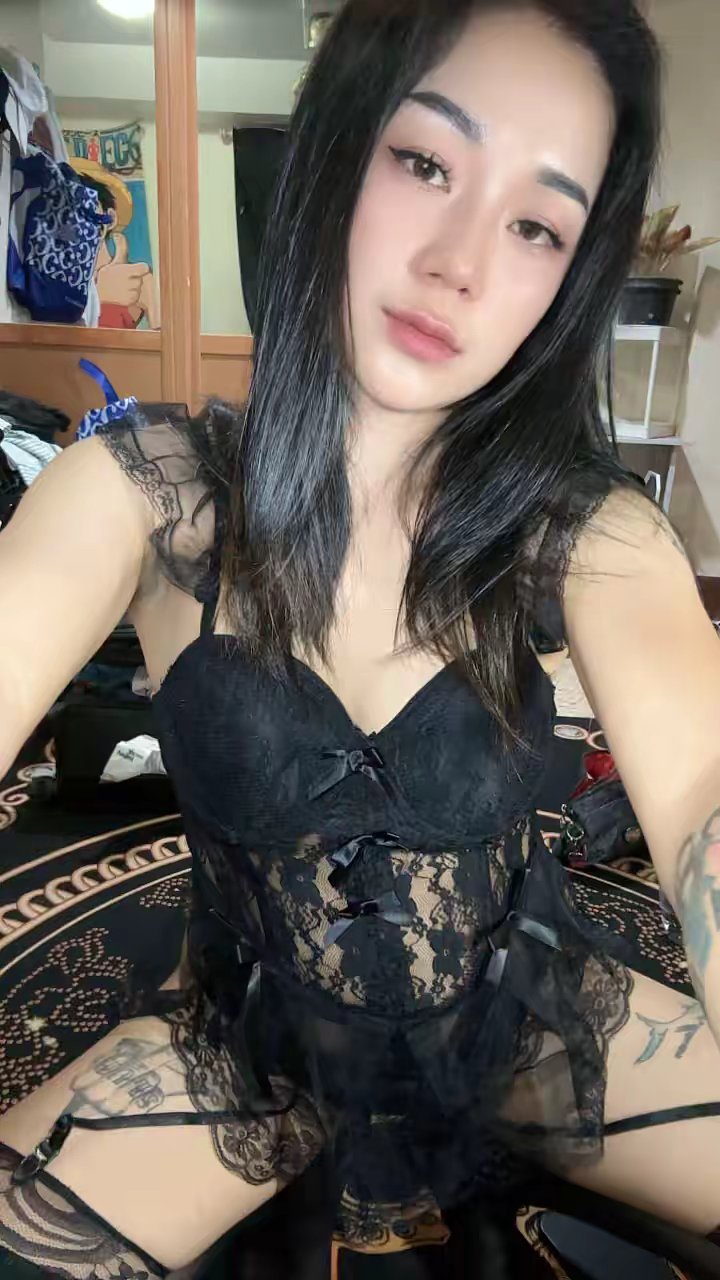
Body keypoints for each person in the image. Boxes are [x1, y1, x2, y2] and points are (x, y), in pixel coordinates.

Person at [1, 0, 720, 1274]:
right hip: (245, 1048)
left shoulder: (586, 528)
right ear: (339, 147)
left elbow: (708, 778)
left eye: (537, 226)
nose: (460, 262)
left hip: (523, 1020)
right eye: (427, 162)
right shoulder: (150, 490)